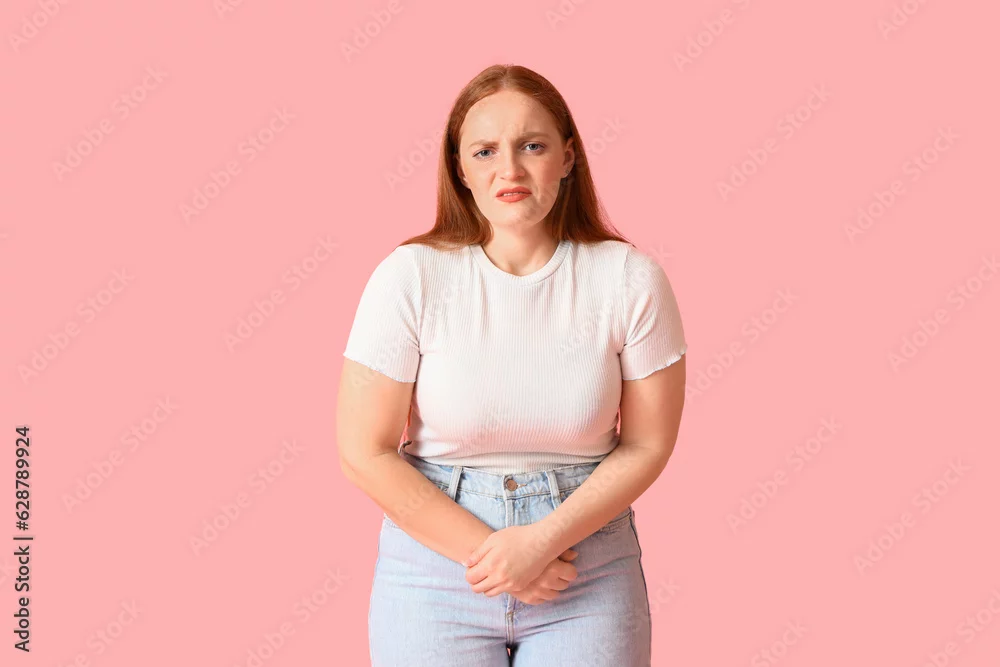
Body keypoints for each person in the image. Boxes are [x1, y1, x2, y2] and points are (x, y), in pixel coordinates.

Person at [337, 63, 687, 666]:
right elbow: (363, 451)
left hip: (586, 569)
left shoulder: (629, 279)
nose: (510, 170)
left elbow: (647, 444)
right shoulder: (410, 277)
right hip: (432, 573)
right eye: (485, 151)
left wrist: (541, 543)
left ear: (568, 157)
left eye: (532, 146)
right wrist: (498, 556)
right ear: (460, 169)